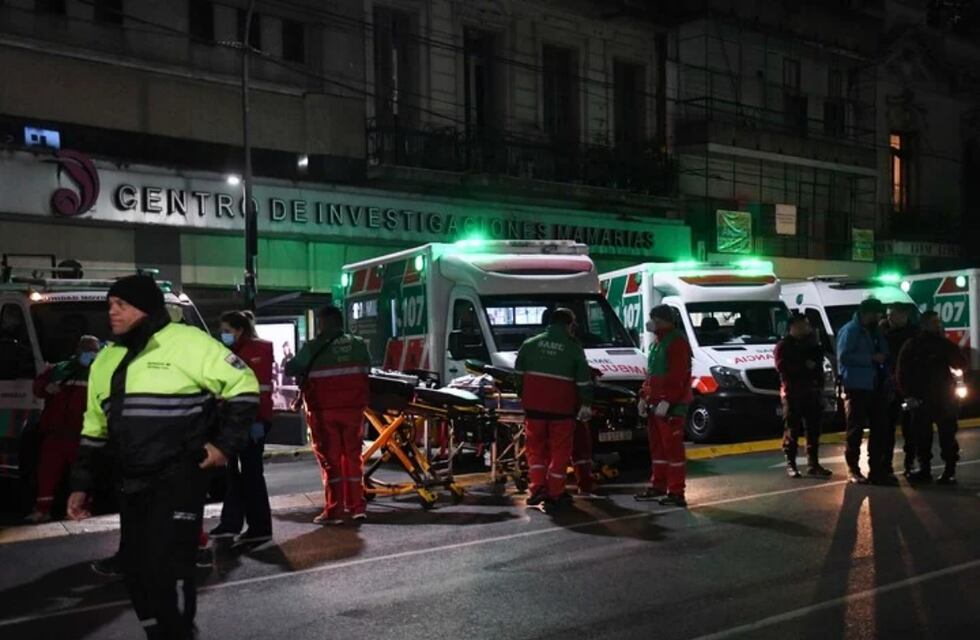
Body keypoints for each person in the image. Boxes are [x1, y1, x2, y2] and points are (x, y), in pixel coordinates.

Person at [67, 274, 259, 639]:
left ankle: (178, 634)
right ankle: (160, 633)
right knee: (136, 571)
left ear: (145, 307)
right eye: (110, 305)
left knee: (169, 569)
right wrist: (80, 485)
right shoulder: (107, 359)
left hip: (178, 478)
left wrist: (222, 446)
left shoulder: (188, 343)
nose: (112, 312)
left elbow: (243, 386)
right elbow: (94, 428)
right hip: (129, 481)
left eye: (120, 305)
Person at [285, 305, 371, 525]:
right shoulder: (359, 344)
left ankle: (335, 510)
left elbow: (292, 368)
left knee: (330, 460)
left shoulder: (313, 347)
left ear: (322, 323)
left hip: (324, 411)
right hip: (354, 409)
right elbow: (365, 370)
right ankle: (357, 507)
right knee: (353, 457)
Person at [514, 307, 593, 513]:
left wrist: (525, 397)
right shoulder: (573, 348)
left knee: (535, 451)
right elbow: (583, 381)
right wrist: (585, 403)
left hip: (534, 409)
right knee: (560, 452)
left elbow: (518, 377)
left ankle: (537, 488)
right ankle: (555, 492)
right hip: (561, 409)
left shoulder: (529, 345)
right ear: (568, 325)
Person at [210, 311, 274, 543]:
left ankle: (260, 527)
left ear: (240, 330)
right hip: (234, 422)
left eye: (227, 330)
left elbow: (258, 391)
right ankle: (231, 523)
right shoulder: (233, 352)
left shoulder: (257, 351)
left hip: (252, 421)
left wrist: (256, 421)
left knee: (251, 475)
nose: (223, 335)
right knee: (233, 476)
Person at [24, 335, 101, 523]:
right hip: (56, 432)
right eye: (87, 350)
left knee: (82, 476)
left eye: (93, 351)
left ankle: (79, 510)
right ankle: (43, 510)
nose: (90, 354)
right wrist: (45, 387)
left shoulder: (99, 372)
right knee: (47, 472)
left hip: (82, 434)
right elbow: (38, 386)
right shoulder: (59, 369)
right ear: (78, 351)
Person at [897, 311, 968, 485]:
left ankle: (945, 470)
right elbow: (902, 372)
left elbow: (960, 363)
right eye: (934, 322)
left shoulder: (936, 344)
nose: (937, 325)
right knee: (925, 435)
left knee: (945, 435)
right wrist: (908, 394)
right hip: (927, 397)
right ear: (925, 325)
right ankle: (929, 469)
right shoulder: (915, 345)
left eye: (938, 322)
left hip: (940, 397)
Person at [634, 305, 692, 507]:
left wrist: (668, 400)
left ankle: (676, 492)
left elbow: (678, 376)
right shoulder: (657, 344)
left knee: (673, 450)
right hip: (656, 405)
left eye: (655, 319)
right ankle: (658, 485)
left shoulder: (676, 342)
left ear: (666, 321)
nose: (652, 322)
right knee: (658, 449)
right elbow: (651, 375)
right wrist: (644, 396)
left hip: (671, 407)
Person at [837, 298, 893, 485]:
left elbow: (885, 352)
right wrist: (871, 358)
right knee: (855, 429)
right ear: (867, 313)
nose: (879, 318)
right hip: (857, 385)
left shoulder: (876, 331)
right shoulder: (851, 331)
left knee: (880, 428)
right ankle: (853, 469)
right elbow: (844, 356)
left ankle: (876, 469)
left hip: (876, 384)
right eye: (877, 315)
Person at [774, 312, 832, 479]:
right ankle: (791, 464)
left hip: (812, 392)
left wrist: (820, 387)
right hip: (792, 393)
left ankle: (813, 464)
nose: (804, 328)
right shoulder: (784, 346)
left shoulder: (814, 345)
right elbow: (782, 367)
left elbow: (818, 366)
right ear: (791, 327)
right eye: (800, 326)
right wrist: (804, 366)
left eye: (806, 325)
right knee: (792, 430)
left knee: (813, 430)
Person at [880, 304, 919, 476]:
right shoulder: (882, 333)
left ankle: (910, 462)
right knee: (887, 427)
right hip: (889, 386)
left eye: (892, 315)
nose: (889, 318)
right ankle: (886, 463)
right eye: (888, 315)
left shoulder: (914, 334)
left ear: (903, 316)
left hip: (909, 386)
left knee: (910, 427)